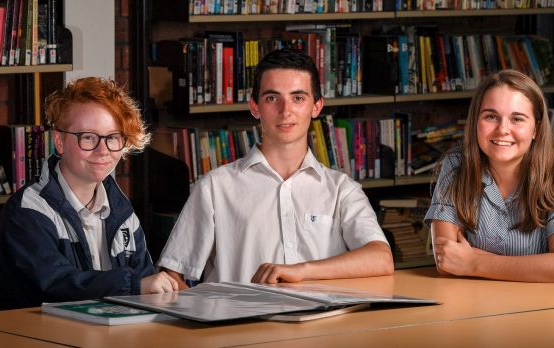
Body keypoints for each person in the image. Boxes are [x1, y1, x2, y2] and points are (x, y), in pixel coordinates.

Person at [158, 48, 394, 289]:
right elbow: (171, 276)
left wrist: (301, 271)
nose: (285, 111)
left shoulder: (342, 189)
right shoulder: (215, 187)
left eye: (298, 98)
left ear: (316, 107)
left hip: (322, 324)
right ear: (255, 107)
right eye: (272, 98)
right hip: (243, 325)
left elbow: (380, 258)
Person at [0, 77, 178, 310]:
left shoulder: (122, 212)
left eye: (112, 138)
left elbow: (145, 282)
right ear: (59, 141)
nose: (102, 150)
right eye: (88, 137)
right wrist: (133, 286)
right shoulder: (28, 211)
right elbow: (57, 286)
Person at [425, 69, 554, 284]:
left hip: (541, 309)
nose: (503, 129)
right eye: (491, 116)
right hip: (474, 306)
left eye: (517, 119)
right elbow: (447, 260)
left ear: (536, 129)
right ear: (475, 121)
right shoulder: (456, 166)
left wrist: (473, 262)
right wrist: (536, 267)